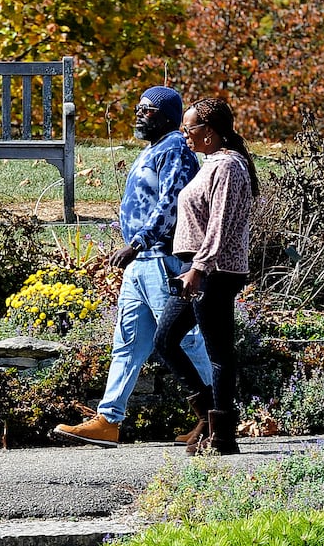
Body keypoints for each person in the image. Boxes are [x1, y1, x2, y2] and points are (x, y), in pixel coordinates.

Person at [53, 87, 214, 448]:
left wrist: (137, 242)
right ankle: (108, 420)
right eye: (138, 108)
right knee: (127, 344)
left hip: (163, 259)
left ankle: (216, 416)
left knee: (186, 340)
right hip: (141, 264)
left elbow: (172, 203)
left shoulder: (174, 149)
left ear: (170, 117)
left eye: (148, 110)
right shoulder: (153, 150)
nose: (139, 114)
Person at [152, 97, 257, 455]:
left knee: (219, 353)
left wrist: (199, 268)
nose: (185, 135)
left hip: (213, 271)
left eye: (189, 128)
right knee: (164, 340)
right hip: (194, 270)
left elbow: (222, 225)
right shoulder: (212, 163)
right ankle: (208, 419)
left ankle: (223, 436)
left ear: (209, 133)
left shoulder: (228, 167)